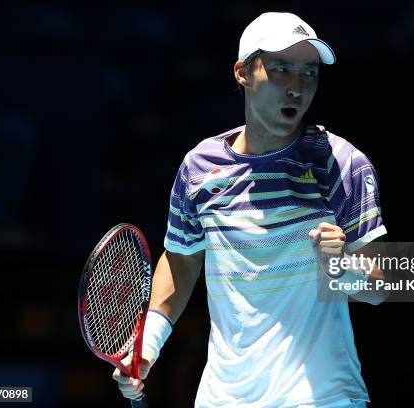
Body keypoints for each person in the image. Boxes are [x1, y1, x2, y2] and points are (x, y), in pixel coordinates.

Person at [113, 12, 388, 407]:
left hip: (321, 398)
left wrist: (342, 268)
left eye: (309, 73)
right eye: (281, 69)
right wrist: (147, 347)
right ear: (243, 72)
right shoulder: (200, 168)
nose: (298, 87)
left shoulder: (339, 162)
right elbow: (181, 263)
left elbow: (380, 286)